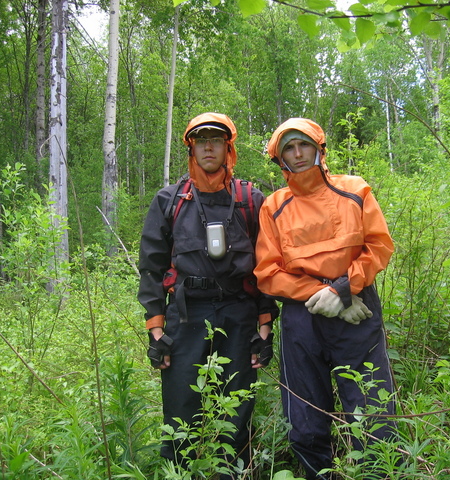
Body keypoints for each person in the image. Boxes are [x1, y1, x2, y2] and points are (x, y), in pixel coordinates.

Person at [254, 118, 397, 480]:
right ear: (279, 157)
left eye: (304, 144)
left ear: (320, 148)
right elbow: (267, 273)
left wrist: (344, 291)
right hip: (304, 319)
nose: (298, 153)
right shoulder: (273, 206)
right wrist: (321, 294)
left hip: (357, 310)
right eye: (289, 147)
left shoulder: (355, 190)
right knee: (304, 421)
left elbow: (378, 245)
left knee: (374, 416)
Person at [138, 112, 278, 477]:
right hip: (186, 316)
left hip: (239, 314)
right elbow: (151, 269)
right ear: (191, 148)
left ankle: (233, 473)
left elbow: (266, 267)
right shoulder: (170, 201)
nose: (209, 147)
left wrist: (265, 328)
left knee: (236, 413)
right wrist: (156, 331)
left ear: (228, 148)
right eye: (202, 141)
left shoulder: (251, 199)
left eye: (216, 140)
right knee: (181, 411)